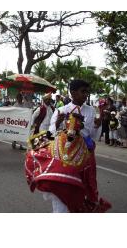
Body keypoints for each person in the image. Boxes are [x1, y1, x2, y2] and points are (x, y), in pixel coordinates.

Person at [47, 79, 103, 212]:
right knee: (62, 189)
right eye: (83, 91)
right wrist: (57, 124)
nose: (86, 95)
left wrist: (96, 125)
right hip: (64, 157)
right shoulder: (61, 110)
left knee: (82, 188)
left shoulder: (90, 110)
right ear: (73, 93)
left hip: (84, 157)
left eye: (87, 92)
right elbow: (50, 134)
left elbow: (92, 135)